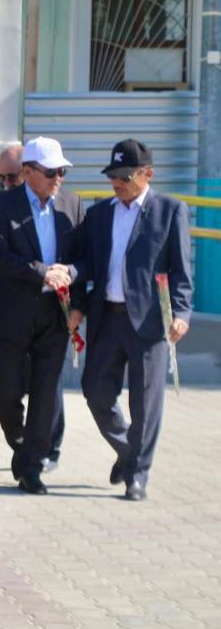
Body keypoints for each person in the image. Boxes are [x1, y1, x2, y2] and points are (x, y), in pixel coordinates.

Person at [69, 139, 192, 501]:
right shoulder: (99, 214)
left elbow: (182, 271)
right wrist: (77, 304)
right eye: (113, 176)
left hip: (150, 323)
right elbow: (87, 263)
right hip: (106, 316)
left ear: (147, 174)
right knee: (95, 392)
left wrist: (181, 313)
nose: (117, 183)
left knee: (146, 402)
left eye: (125, 176)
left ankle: (137, 473)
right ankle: (128, 452)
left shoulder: (170, 211)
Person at [0, 136, 84, 496]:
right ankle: (22, 444)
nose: (59, 178)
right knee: (4, 393)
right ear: (27, 173)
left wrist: (70, 278)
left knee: (46, 394)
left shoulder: (72, 206)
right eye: (51, 171)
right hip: (11, 312)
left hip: (54, 314)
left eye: (62, 172)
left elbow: (86, 259)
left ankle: (31, 468)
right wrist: (42, 272)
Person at [0, 144, 66, 475]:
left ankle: (46, 449)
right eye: (0, 176)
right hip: (5, 310)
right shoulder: (0, 207)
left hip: (49, 311)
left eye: (11, 175)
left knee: (47, 384)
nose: (4, 181)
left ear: (27, 171)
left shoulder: (59, 207)